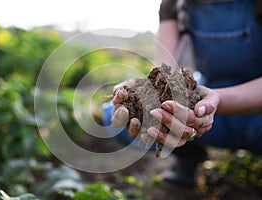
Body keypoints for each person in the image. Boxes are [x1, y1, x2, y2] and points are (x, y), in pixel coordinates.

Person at [103, 0, 262, 187]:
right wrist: (146, 95)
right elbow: (164, 71)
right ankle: (188, 155)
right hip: (211, 110)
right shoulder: (176, 4)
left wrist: (217, 100)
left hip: (255, 114)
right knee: (119, 117)